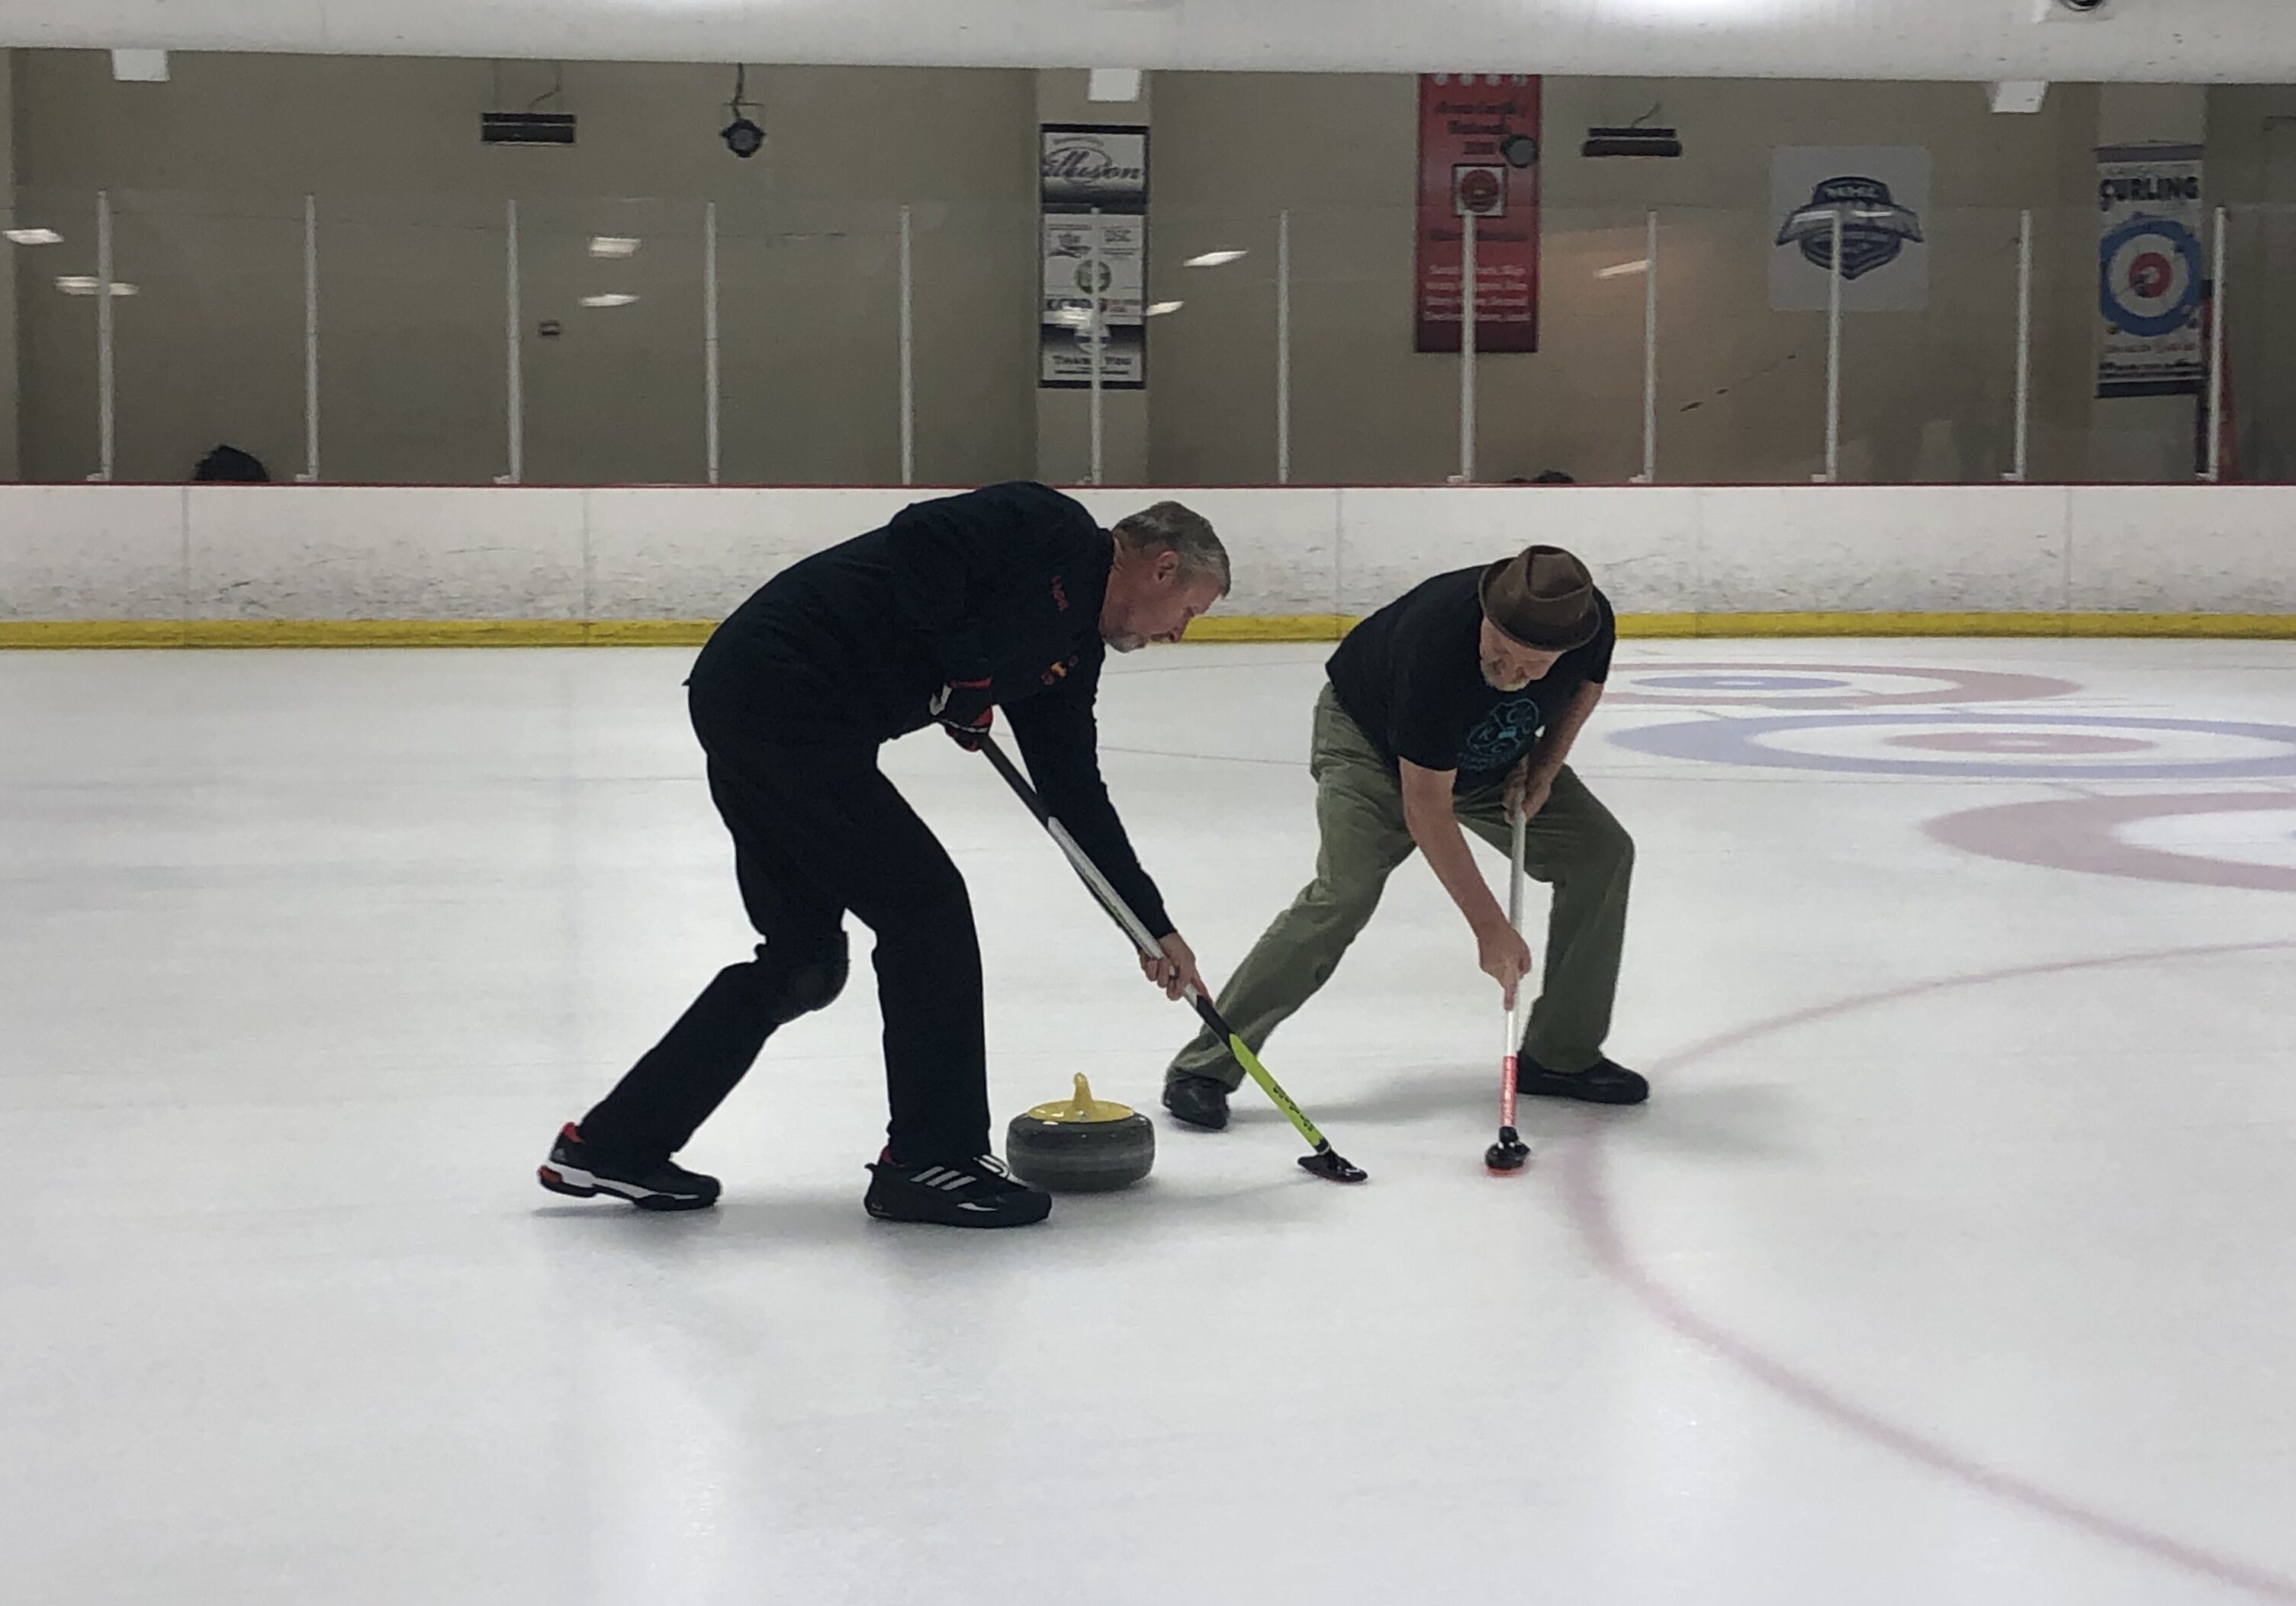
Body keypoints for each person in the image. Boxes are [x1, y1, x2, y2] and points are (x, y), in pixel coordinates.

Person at [542, 483, 1229, 1227]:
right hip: (777, 691)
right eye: (1190, 610)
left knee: (802, 962)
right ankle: (933, 1157)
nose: (1178, 634)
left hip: (774, 710)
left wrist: (1148, 925)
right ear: (1162, 569)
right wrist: (965, 674)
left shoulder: (1065, 657)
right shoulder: (1049, 527)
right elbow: (920, 540)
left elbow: (1072, 795)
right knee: (925, 906)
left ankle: (613, 1143)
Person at [1162, 543, 1639, 1130]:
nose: (1513, 673)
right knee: (1346, 891)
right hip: (1374, 749)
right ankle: (1207, 1064)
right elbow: (1427, 807)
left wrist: (1541, 768)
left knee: (1601, 853)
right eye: (1500, 652)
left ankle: (1560, 1054)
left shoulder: (1591, 624)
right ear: (1486, 616)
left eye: (1533, 667)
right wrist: (1492, 930)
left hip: (1493, 756)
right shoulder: (1436, 643)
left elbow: (1585, 687)